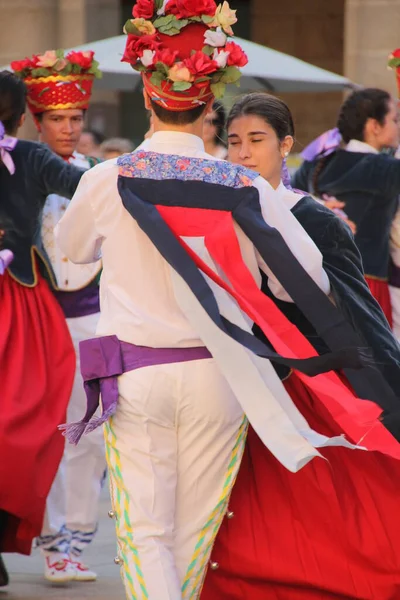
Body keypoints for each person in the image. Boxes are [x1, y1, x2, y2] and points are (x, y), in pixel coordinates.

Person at [57, 2, 400, 598]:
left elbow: (72, 255)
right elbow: (309, 274)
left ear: (147, 92)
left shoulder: (104, 178)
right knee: (195, 531)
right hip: (222, 375)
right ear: (211, 99)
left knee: (145, 533)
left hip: (137, 375)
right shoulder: (243, 185)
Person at [200, 92, 400, 600]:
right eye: (235, 142)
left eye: (257, 141)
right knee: (251, 517)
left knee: (336, 509)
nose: (243, 153)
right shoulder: (213, 215)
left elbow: (356, 311)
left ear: (285, 145)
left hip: (312, 385)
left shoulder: (314, 217)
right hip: (238, 381)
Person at [12, 49, 106, 583]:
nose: (67, 128)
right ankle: (48, 538)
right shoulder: (18, 171)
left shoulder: (98, 174)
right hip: (38, 320)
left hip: (95, 319)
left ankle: (74, 538)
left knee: (88, 431)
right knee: (38, 431)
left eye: (75, 119)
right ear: (35, 119)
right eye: (56, 119)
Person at [0, 70, 85, 587]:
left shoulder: (28, 157)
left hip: (20, 295)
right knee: (23, 422)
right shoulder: (32, 159)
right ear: (21, 112)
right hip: (22, 303)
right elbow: (85, 186)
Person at [292, 88, 400, 327]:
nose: (398, 126)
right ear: (374, 126)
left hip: (317, 279)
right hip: (366, 284)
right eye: (395, 119)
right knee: (370, 360)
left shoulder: (318, 162)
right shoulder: (388, 169)